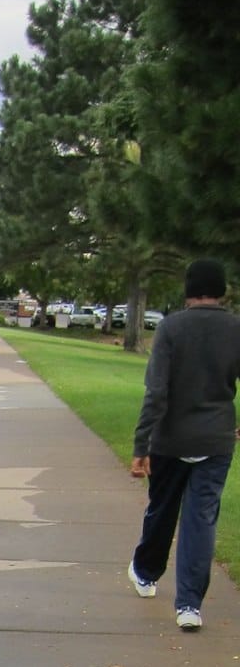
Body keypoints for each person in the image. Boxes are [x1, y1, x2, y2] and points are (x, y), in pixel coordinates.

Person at [128, 258, 240, 630]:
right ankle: (189, 604)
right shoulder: (236, 328)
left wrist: (141, 445)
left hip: (169, 438)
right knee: (201, 519)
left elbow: (156, 391)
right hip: (217, 437)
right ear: (221, 290)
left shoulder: (171, 328)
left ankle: (145, 572)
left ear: (189, 290)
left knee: (162, 510)